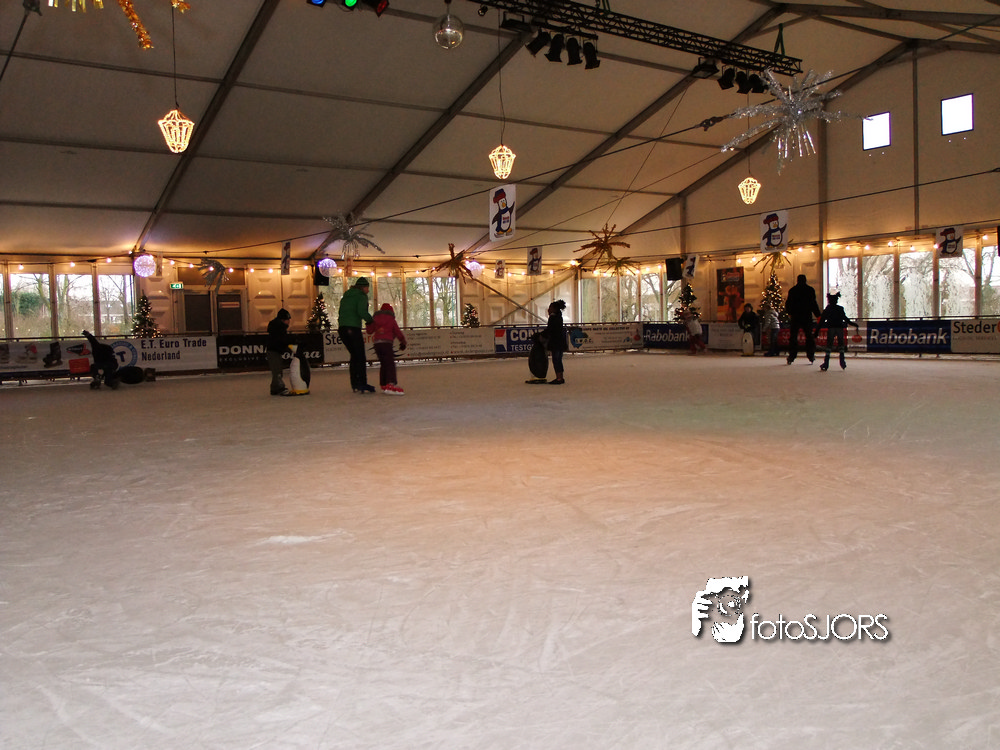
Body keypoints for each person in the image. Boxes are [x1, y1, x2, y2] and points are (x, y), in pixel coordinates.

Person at [338, 277, 375, 393]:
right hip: (353, 328)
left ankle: (355, 383)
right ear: (363, 287)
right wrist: (371, 320)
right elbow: (362, 312)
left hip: (342, 328)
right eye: (367, 288)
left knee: (354, 355)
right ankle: (362, 383)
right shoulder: (361, 296)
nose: (368, 290)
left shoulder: (346, 296)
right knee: (360, 356)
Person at [366, 302, 407, 394]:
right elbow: (397, 331)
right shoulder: (391, 319)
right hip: (387, 343)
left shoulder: (375, 318)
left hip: (377, 344)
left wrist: (368, 323)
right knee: (390, 363)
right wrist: (403, 342)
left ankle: (384, 383)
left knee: (384, 363)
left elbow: (369, 331)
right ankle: (391, 383)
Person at [815, 291, 858, 371]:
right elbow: (845, 319)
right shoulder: (840, 309)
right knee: (841, 345)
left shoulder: (827, 309)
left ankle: (826, 363)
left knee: (829, 346)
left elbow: (821, 321)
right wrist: (853, 324)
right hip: (839, 328)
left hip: (831, 328)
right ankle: (842, 362)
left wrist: (817, 331)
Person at [784, 274, 821, 365]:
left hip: (796, 316)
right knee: (809, 336)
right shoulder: (810, 290)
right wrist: (818, 315)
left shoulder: (792, 290)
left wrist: (790, 313)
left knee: (793, 337)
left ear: (797, 280)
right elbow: (813, 303)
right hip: (806, 316)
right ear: (805, 280)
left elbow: (788, 303)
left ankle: (792, 356)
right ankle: (811, 355)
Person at [266, 308, 294, 396]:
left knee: (277, 370)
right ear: (283, 320)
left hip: (275, 351)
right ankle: (278, 387)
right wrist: (288, 345)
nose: (289, 322)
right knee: (277, 370)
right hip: (274, 351)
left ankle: (275, 388)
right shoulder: (279, 328)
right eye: (288, 319)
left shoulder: (278, 327)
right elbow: (281, 340)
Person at [545, 299, 568, 384]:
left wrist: (542, 334)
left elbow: (550, 330)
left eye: (550, 308)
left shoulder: (553, 318)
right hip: (560, 341)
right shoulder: (559, 317)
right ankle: (560, 377)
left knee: (556, 360)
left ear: (554, 309)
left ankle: (559, 378)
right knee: (558, 360)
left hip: (556, 342)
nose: (548, 310)